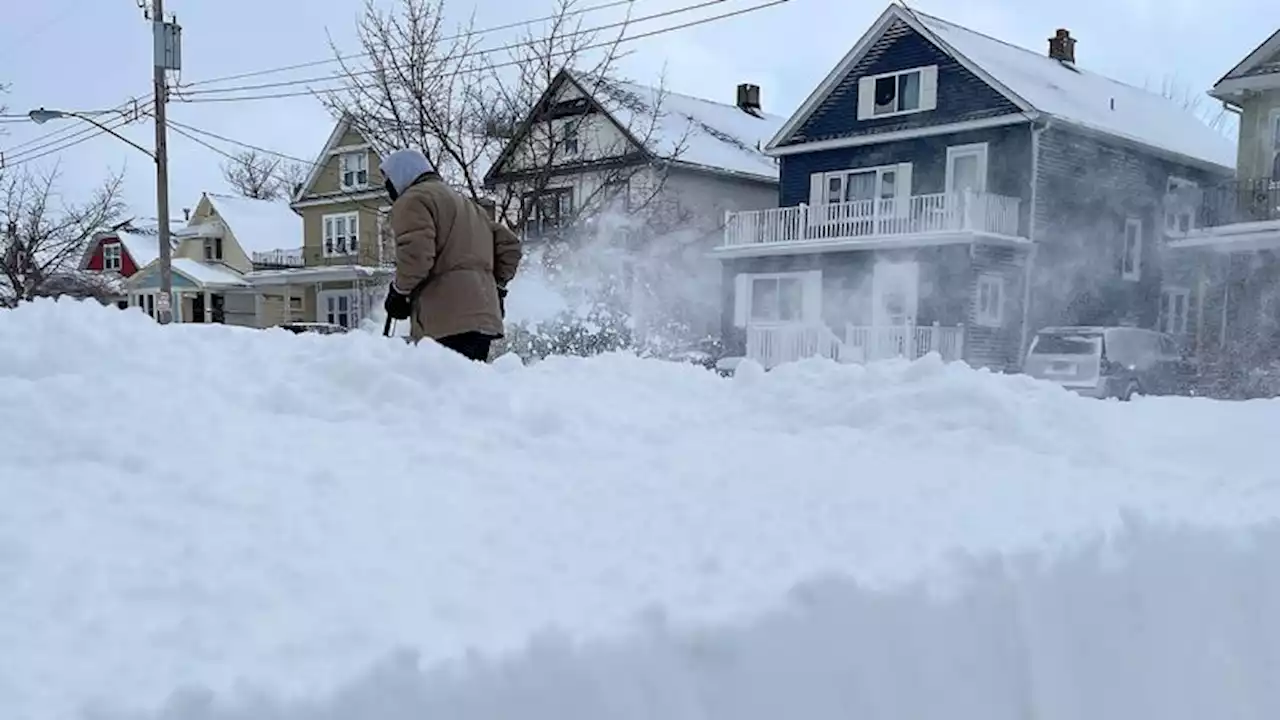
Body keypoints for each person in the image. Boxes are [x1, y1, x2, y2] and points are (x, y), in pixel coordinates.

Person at [379, 148, 522, 362]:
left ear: (401, 175)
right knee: (468, 390)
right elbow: (509, 246)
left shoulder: (413, 200)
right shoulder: (467, 204)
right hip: (483, 318)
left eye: (389, 181)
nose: (388, 189)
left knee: (443, 390)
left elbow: (416, 255)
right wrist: (497, 287)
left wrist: (399, 292)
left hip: (445, 319)